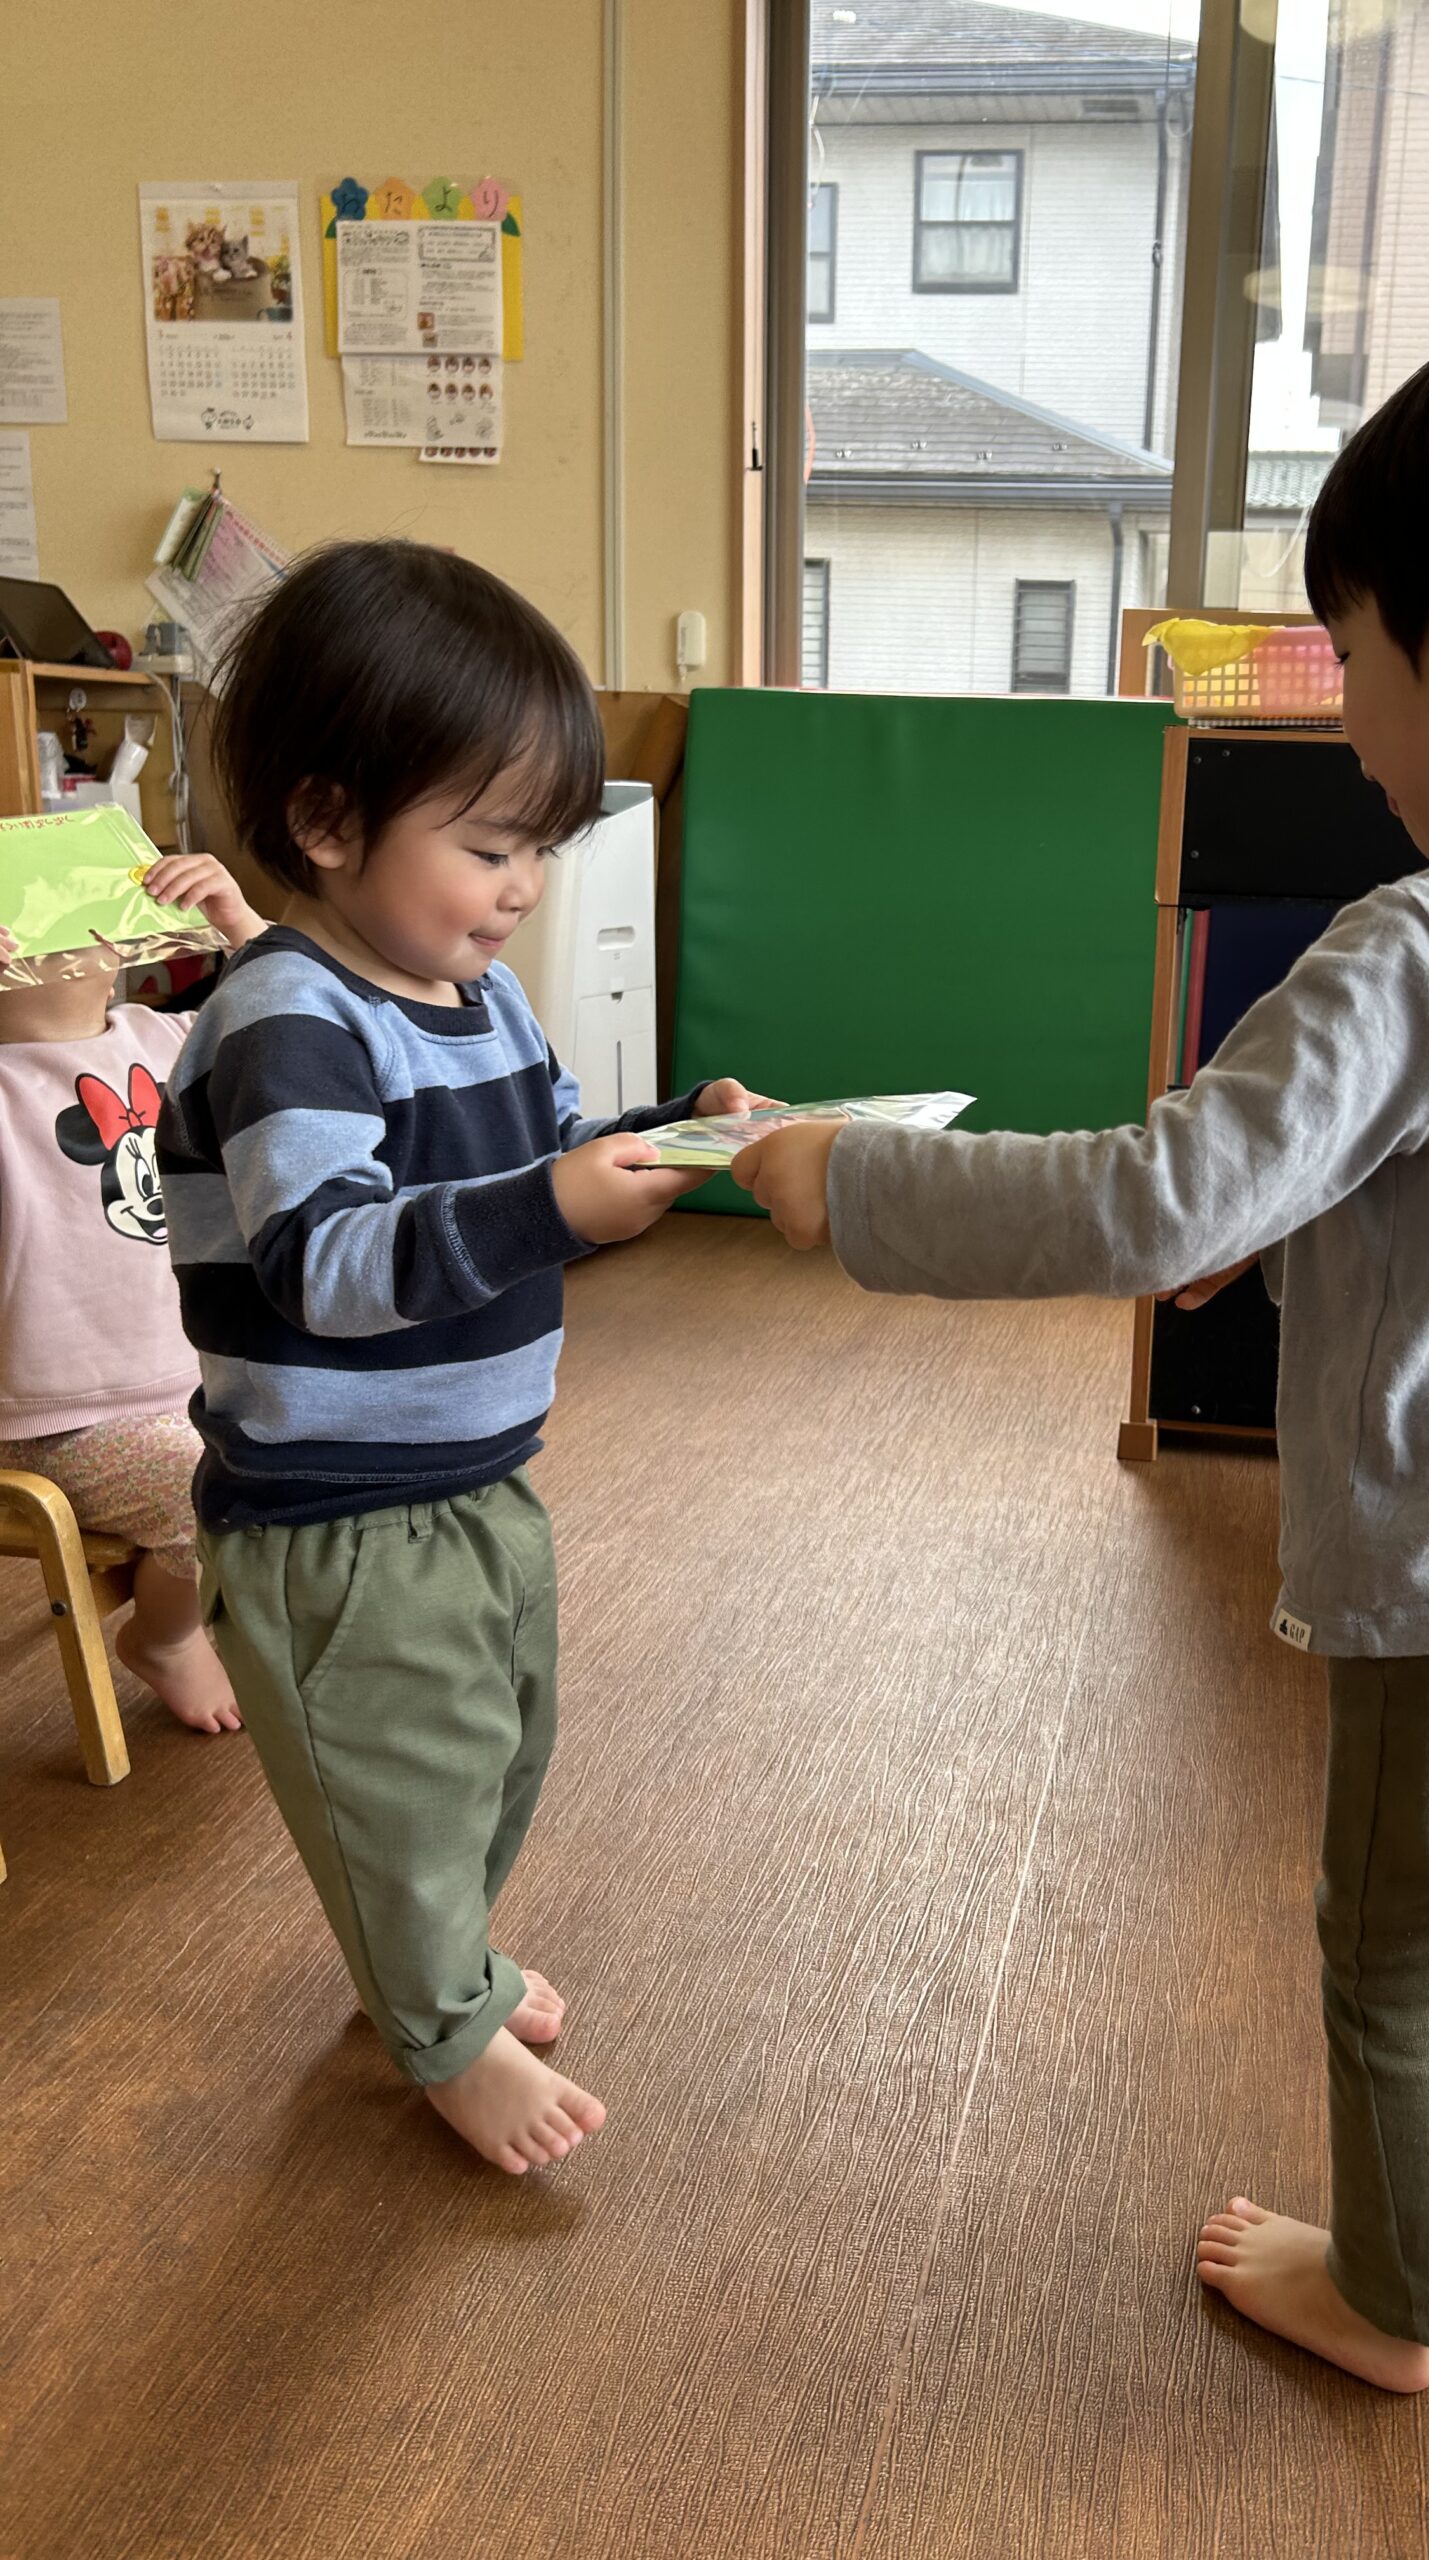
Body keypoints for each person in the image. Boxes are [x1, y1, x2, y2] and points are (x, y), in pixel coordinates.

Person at [735, 310, 1429, 2393]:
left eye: (1354, 669)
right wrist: (1298, 1221)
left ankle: (1393, 2302)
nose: (1358, 739)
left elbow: (1149, 1199)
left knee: (1396, 1951)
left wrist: (851, 1180)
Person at [156, 540, 770, 2175]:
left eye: (539, 851)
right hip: (333, 1518)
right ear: (326, 822)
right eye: (489, 847)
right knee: (403, 1788)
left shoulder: (479, 998)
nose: (522, 890)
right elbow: (329, 1262)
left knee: (495, 1749)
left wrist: (673, 1137)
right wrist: (557, 1203)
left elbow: (542, 1167)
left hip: (478, 1476)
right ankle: (438, 2024)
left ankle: (437, 1965)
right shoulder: (289, 1017)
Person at [0, 858, 268, 1734]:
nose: (69, 937)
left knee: (300, 1442)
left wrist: (239, 925)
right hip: (53, 1420)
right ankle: (166, 1637)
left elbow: (291, 1017)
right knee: (216, 1487)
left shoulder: (161, 1038)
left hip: (185, 1381)